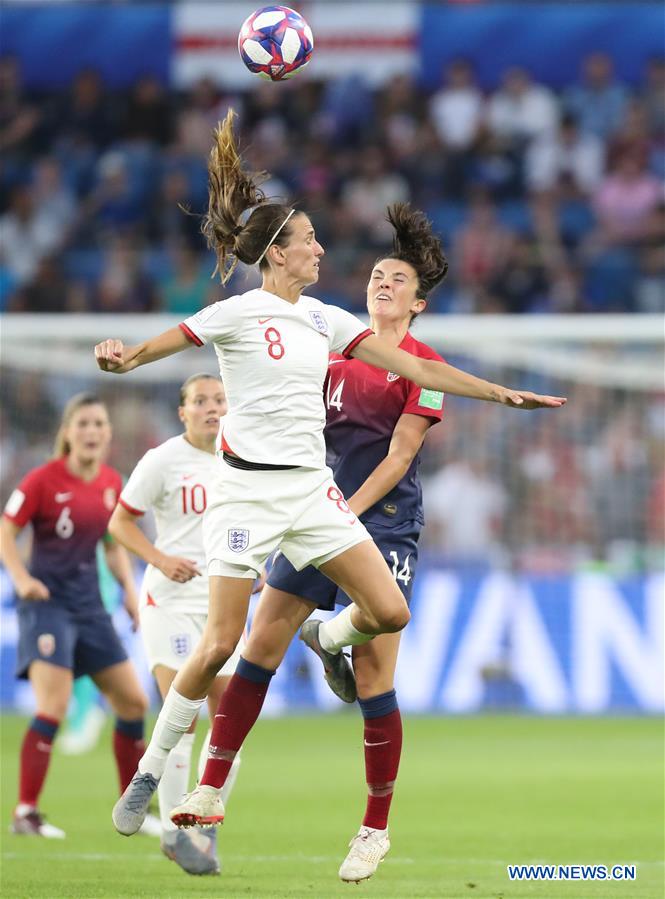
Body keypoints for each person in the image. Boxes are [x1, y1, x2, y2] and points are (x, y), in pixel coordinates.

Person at [93, 108, 565, 845]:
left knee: (390, 611)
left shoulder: (324, 319)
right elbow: (160, 345)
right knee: (220, 643)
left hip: (314, 493)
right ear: (278, 254)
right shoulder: (236, 313)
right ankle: (156, 768)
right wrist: (121, 358)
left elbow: (415, 365)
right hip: (246, 493)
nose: (319, 246)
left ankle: (327, 633)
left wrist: (502, 393)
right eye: (308, 238)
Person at [256, 202, 451, 882]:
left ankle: (373, 830)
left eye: (396, 278)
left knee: (375, 677)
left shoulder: (422, 363)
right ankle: (209, 788)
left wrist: (345, 509)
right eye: (375, 274)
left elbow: (398, 456)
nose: (382, 283)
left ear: (417, 302)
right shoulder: (329, 350)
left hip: (384, 519)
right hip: (315, 515)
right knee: (256, 642)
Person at [108, 373, 240, 876]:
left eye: (220, 399)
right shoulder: (163, 460)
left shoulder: (240, 459)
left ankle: (201, 829)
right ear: (182, 412)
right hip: (171, 603)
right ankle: (173, 832)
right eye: (201, 401)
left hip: (222, 605)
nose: (212, 407)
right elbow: (120, 522)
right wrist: (160, 560)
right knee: (182, 717)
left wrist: (258, 564)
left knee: (230, 724)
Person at [0, 393, 149, 838]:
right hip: (49, 608)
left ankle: (131, 808)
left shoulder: (110, 482)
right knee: (55, 705)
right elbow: (6, 531)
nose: (91, 431)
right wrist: (21, 580)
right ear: (67, 431)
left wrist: (127, 590)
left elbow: (111, 543)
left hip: (91, 609)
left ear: (107, 433)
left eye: (99, 424)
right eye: (82, 423)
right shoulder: (41, 480)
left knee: (133, 703)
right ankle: (26, 812)